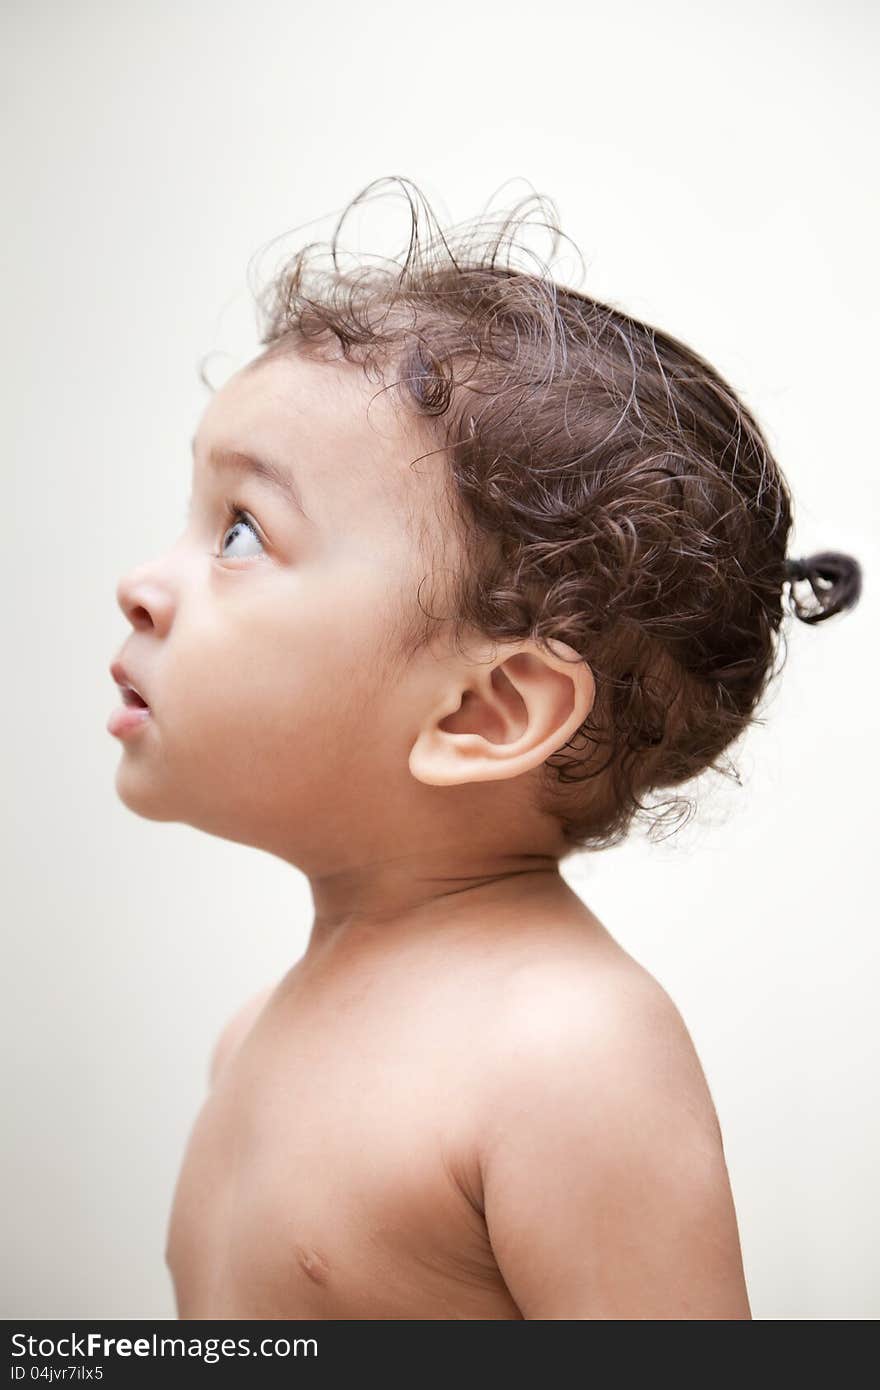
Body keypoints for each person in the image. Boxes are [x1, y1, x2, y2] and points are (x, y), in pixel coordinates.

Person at [108, 177, 862, 1319]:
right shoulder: (249, 1037)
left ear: (486, 712)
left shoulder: (567, 1056)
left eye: (243, 531)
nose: (142, 584)